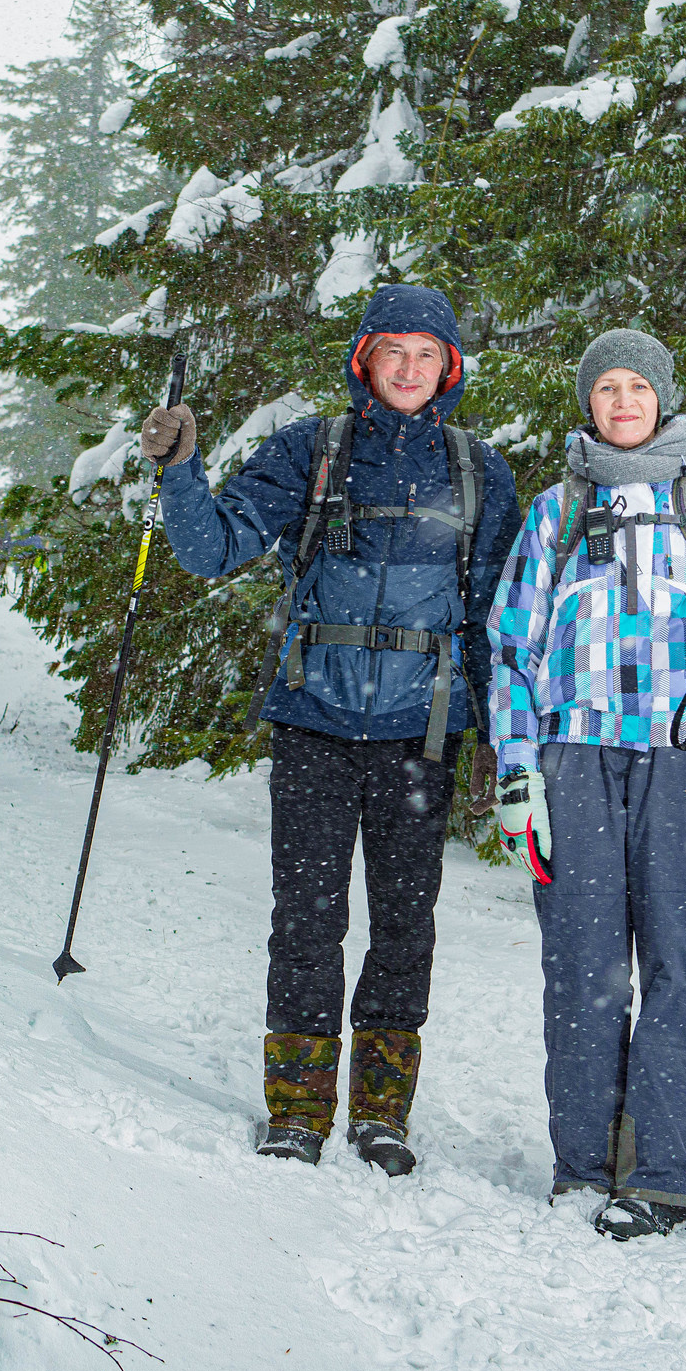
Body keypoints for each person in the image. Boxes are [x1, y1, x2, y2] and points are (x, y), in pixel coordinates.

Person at [140, 284, 520, 1175]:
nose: (410, 369)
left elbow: (493, 617)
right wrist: (180, 467)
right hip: (314, 721)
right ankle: (299, 1110)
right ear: (364, 358)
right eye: (395, 351)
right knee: (305, 922)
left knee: (404, 924)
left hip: (421, 737)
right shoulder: (311, 450)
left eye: (429, 356)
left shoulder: (479, 472)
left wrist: (508, 746)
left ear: (450, 369)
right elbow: (215, 547)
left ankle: (382, 1113)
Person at [486, 328, 686, 1239]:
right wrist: (515, 767)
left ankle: (666, 1174)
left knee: (678, 965)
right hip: (574, 762)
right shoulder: (554, 511)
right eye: (607, 388)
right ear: (588, 403)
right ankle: (585, 1163)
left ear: (663, 395)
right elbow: (511, 646)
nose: (623, 402)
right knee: (580, 966)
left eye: (638, 386)